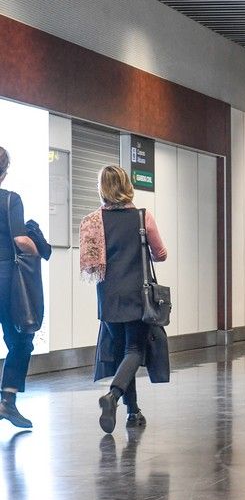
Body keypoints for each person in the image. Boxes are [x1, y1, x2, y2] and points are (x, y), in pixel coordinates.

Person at [80, 165, 168, 433]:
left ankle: (133, 412)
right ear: (127, 185)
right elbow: (161, 254)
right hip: (137, 294)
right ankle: (113, 396)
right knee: (134, 351)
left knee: (122, 355)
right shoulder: (143, 218)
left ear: (102, 189)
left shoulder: (93, 221)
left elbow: (92, 265)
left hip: (107, 296)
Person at [0, 146, 40, 429]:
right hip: (5, 282)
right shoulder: (10, 200)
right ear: (4, 171)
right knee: (21, 339)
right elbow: (21, 241)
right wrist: (38, 249)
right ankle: (7, 400)